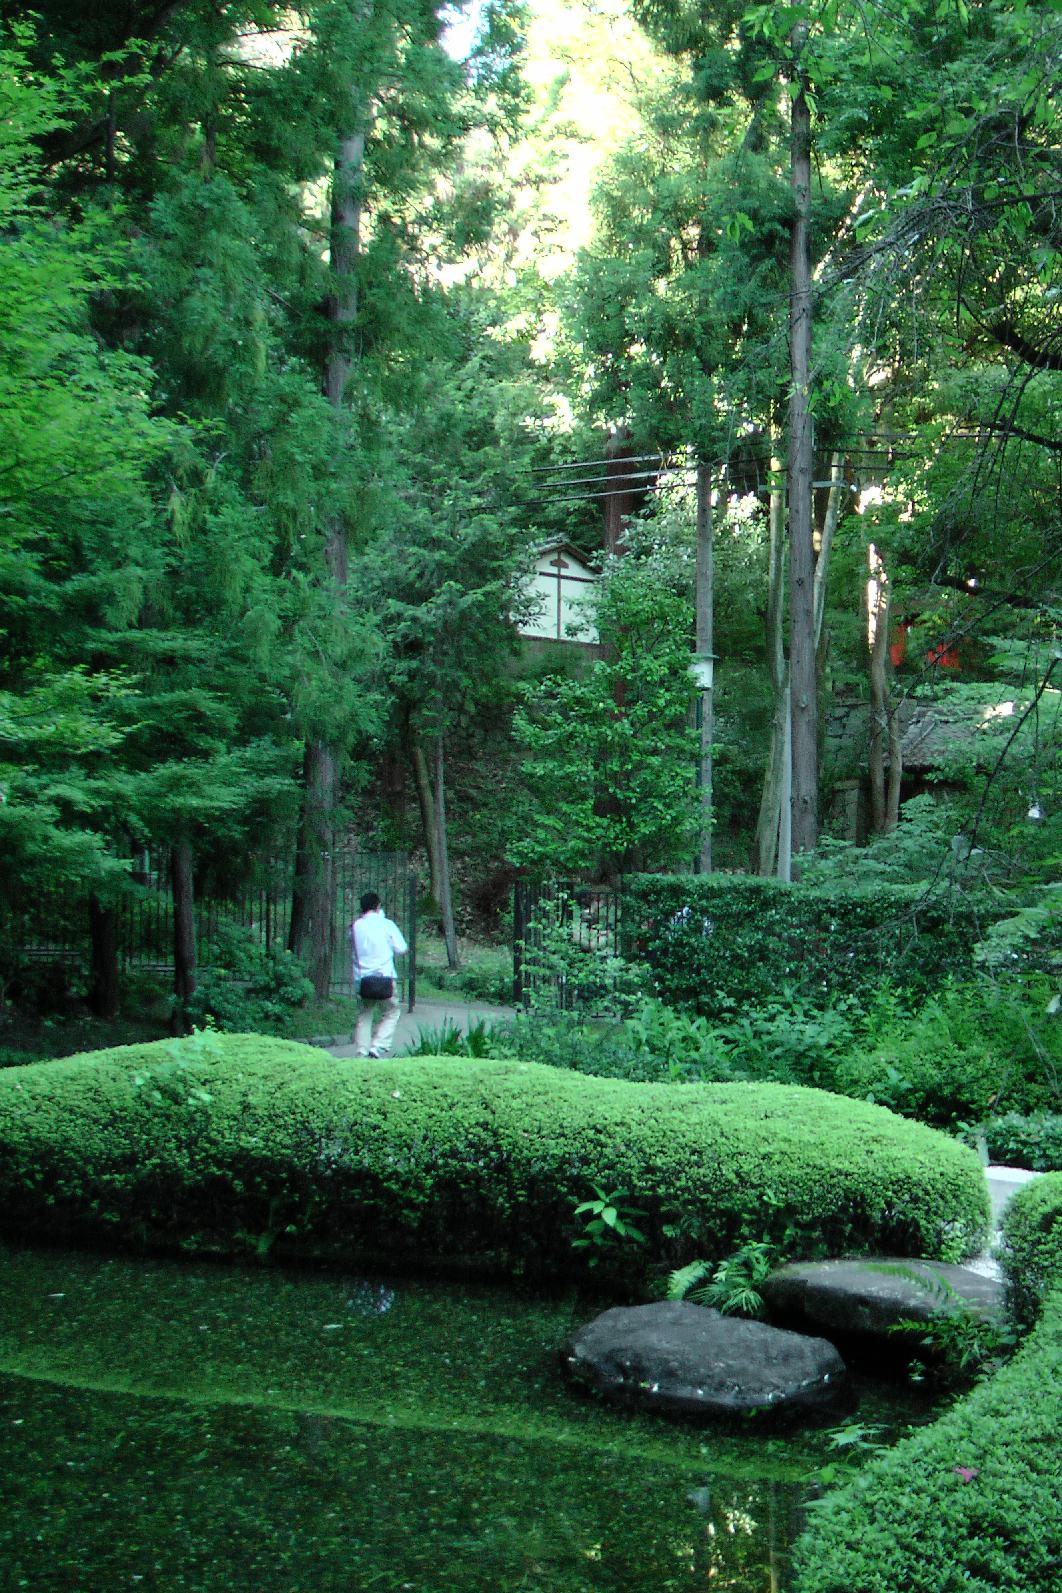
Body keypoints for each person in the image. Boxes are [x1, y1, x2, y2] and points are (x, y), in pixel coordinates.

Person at [351, 891, 408, 1058]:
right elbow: (401, 948)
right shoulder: (387, 924)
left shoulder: (356, 926)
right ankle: (378, 1046)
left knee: (364, 1014)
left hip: (364, 979)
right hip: (385, 977)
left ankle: (361, 1051)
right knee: (391, 1012)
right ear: (378, 906)